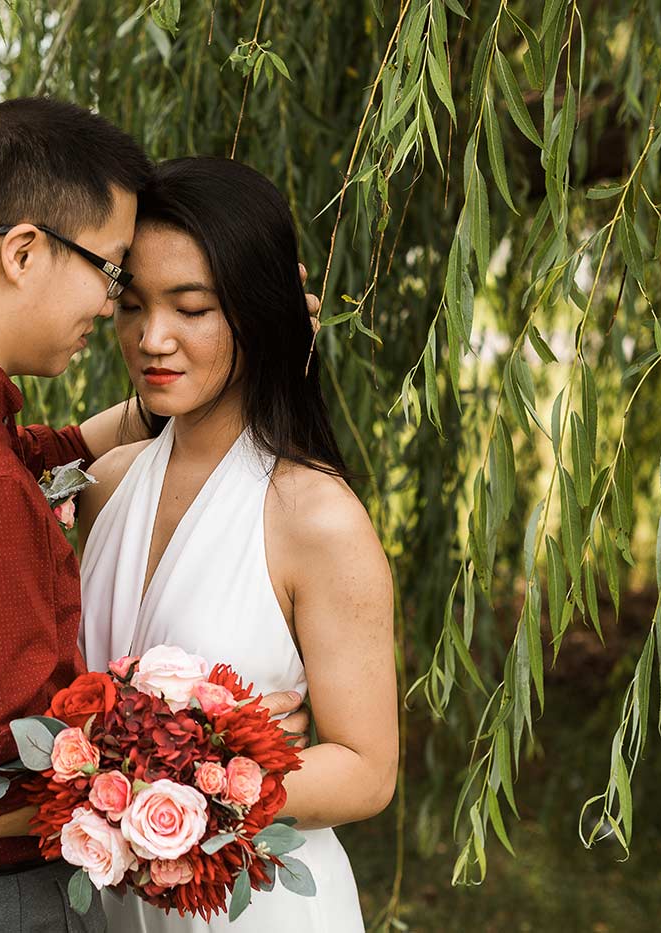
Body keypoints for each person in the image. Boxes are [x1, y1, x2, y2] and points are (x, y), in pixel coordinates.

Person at [0, 100, 313, 933]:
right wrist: (214, 741)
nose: (113, 303)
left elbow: (32, 456)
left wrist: (224, 350)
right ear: (22, 252)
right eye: (114, 272)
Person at [77, 157, 397, 932]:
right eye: (132, 304)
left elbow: (365, 769)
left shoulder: (312, 514)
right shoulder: (106, 484)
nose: (153, 337)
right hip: (113, 906)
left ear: (253, 310)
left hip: (257, 909)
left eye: (192, 308)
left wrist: (184, 780)